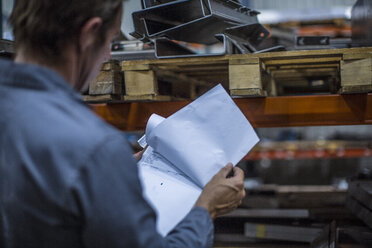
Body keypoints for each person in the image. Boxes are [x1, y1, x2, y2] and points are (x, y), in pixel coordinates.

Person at [0, 0, 246, 247]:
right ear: (88, 34)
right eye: (108, 40)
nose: (107, 55)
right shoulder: (95, 147)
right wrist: (206, 209)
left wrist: (100, 176)